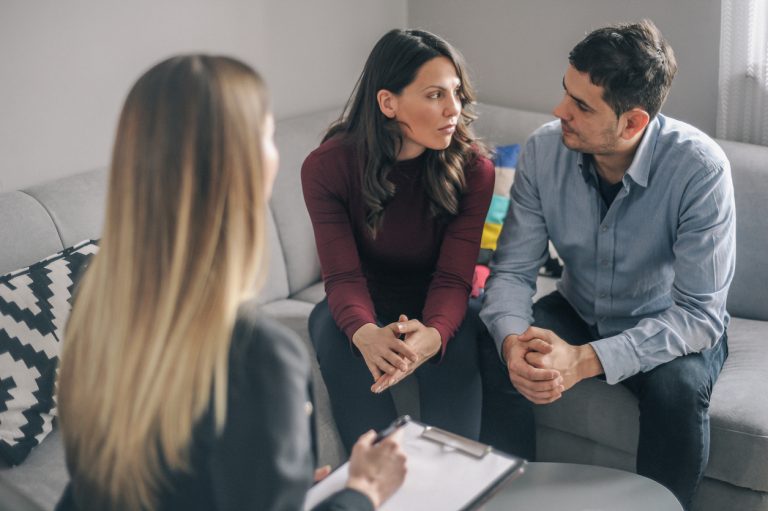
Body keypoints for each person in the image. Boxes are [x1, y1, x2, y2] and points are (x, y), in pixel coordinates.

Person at [55, 55, 406, 511]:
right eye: (266, 133)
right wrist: (363, 491)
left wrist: (277, 489)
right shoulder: (257, 358)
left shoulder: (93, 297)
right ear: (240, 166)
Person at [479, 20, 735, 510]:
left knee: (677, 391)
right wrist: (513, 343)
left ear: (633, 122)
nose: (560, 112)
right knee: (490, 337)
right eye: (565, 94)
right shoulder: (543, 149)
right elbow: (512, 273)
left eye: (581, 106)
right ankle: (509, 499)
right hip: (579, 308)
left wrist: (584, 359)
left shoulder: (700, 170)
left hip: (664, 322)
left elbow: (700, 316)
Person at [302, 29, 494, 451]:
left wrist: (435, 333)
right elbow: (343, 275)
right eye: (434, 95)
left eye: (456, 93)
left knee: (458, 346)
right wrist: (365, 331)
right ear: (388, 103)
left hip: (441, 301)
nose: (453, 109)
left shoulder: (474, 170)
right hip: (364, 299)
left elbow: (452, 278)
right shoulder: (327, 167)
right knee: (331, 330)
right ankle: (377, 484)